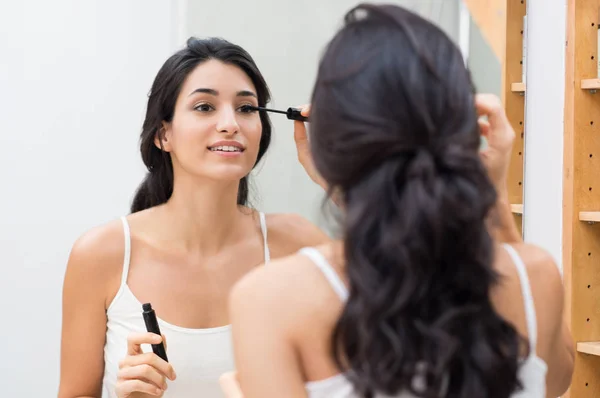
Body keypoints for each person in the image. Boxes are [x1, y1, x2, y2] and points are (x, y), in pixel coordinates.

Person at [221, 4, 574, 398]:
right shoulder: (535, 278)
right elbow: (553, 380)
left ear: (327, 144)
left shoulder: (271, 301)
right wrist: (492, 193)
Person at [57, 37, 329, 398]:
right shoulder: (100, 256)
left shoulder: (297, 244)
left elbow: (403, 309)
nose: (231, 123)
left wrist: (341, 184)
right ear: (163, 134)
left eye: (247, 108)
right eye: (204, 107)